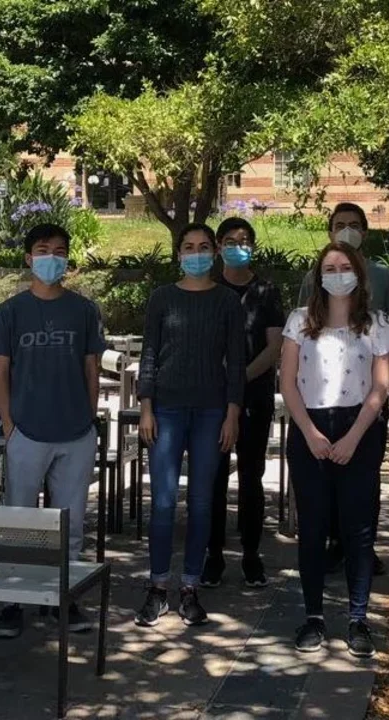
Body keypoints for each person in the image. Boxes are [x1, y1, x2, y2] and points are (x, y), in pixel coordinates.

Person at [0, 223, 105, 639]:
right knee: (18, 518)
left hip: (75, 433)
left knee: (70, 523)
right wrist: (8, 423)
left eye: (59, 250)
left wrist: (88, 419)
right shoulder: (10, 312)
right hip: (27, 432)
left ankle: (64, 599)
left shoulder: (84, 310)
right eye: (42, 249)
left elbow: (92, 367)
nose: (51, 257)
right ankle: (12, 601)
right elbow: (0, 370)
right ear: (28, 258)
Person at [282, 242, 389, 658]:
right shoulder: (299, 321)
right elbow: (288, 382)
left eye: (345, 266)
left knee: (358, 530)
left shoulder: (378, 323)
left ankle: (358, 618)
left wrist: (354, 436)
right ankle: (313, 617)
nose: (337, 274)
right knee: (312, 528)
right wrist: (310, 432)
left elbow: (381, 386)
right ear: (318, 275)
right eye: (329, 267)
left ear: (359, 274)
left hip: (358, 429)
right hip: (310, 426)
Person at [135, 223, 245, 628]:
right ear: (177, 253)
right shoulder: (162, 299)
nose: (196, 252)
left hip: (211, 412)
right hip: (165, 410)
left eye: (203, 246)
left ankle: (191, 588)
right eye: (188, 246)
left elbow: (235, 362)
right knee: (163, 502)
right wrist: (145, 407)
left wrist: (233, 413)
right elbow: (149, 355)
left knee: (201, 503)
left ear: (214, 252)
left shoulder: (227, 302)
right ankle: (158, 587)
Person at [298, 202, 389, 576]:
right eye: (340, 225)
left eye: (354, 225)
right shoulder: (314, 277)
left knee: (365, 478)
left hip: (368, 398)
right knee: (325, 478)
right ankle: (333, 544)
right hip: (323, 398)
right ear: (330, 231)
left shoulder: (385, 278)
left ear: (365, 232)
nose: (347, 231)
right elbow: (303, 333)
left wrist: (381, 389)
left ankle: (363, 548)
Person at [201, 218, 285, 589]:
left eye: (245, 240)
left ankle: (251, 555)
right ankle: (213, 555)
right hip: (211, 398)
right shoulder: (207, 289)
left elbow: (275, 345)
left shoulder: (266, 292)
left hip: (255, 394)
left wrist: (242, 378)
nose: (238, 246)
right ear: (218, 246)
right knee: (213, 478)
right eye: (231, 240)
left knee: (251, 477)